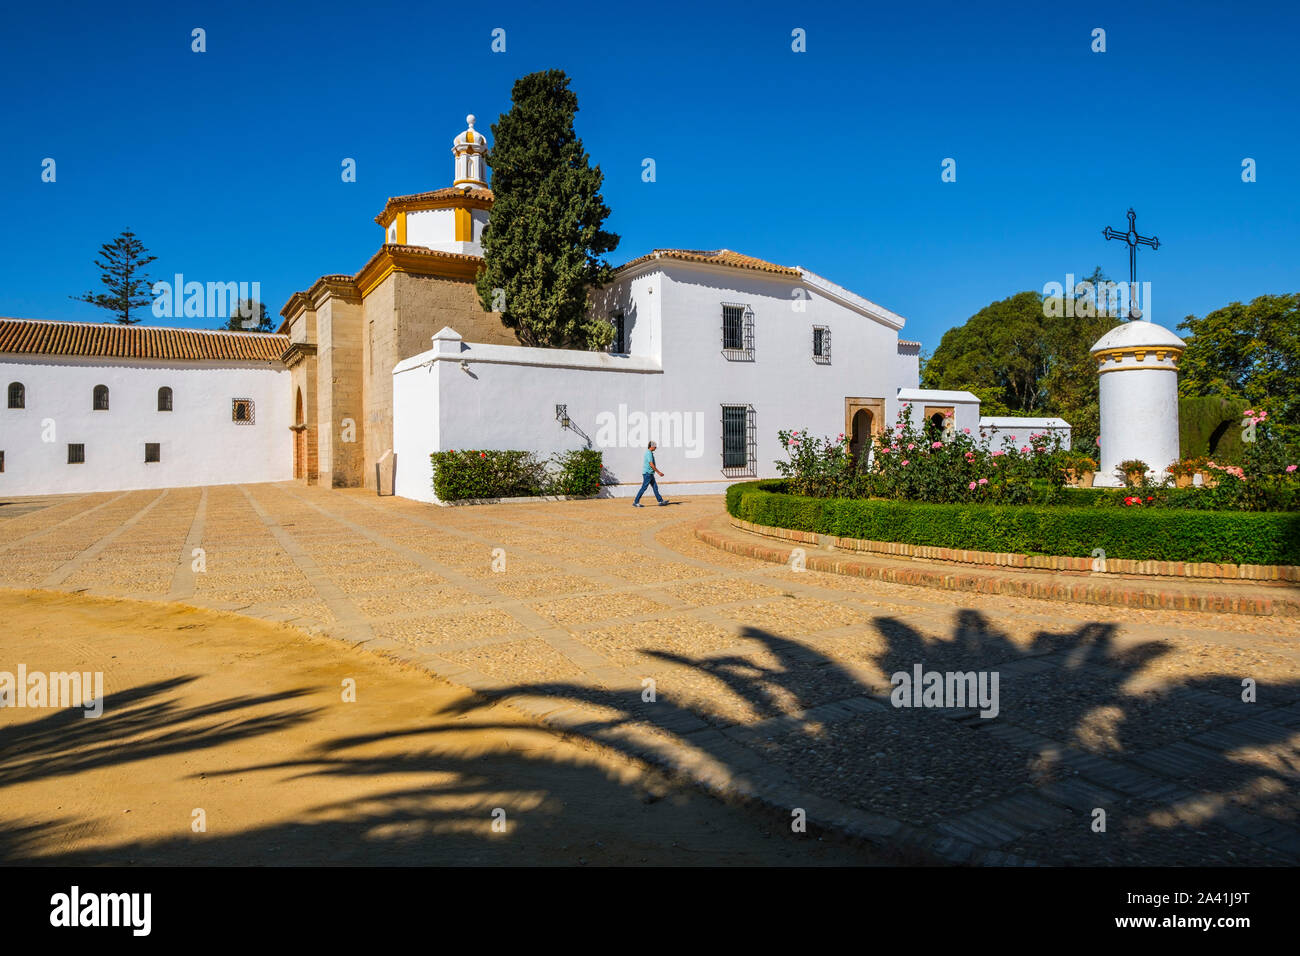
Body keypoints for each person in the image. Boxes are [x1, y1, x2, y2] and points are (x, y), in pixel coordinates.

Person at [633, 440, 668, 506]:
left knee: (655, 487)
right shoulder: (648, 453)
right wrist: (659, 472)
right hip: (648, 473)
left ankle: (660, 501)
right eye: (655, 447)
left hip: (650, 473)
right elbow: (651, 464)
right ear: (651, 446)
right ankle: (636, 502)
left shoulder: (649, 453)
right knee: (644, 488)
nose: (655, 448)